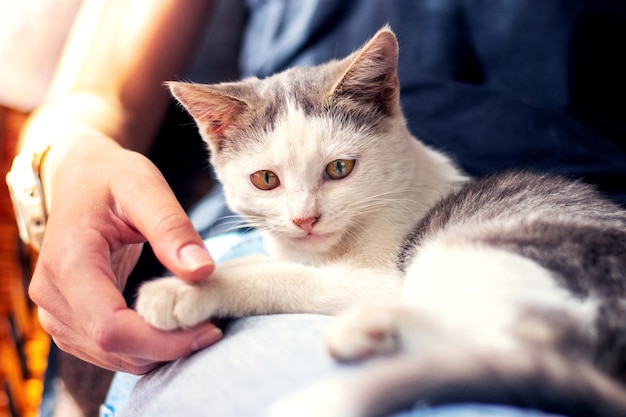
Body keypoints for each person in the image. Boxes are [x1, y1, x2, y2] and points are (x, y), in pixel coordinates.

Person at [10, 0, 626, 416]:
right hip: (253, 249)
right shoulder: (277, 195)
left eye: (333, 172)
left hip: (551, 225)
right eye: (269, 180)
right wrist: (64, 163)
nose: (304, 211)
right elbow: (95, 95)